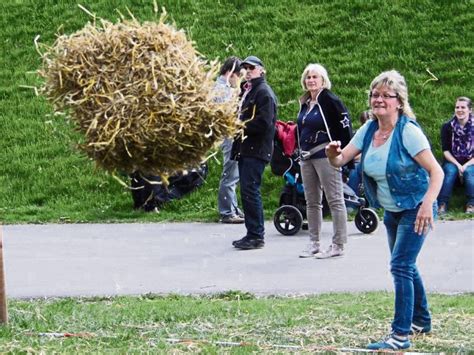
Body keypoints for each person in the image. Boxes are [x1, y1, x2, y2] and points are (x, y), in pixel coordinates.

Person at [325, 70, 444, 350]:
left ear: (399, 101)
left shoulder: (408, 132)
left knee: (400, 265)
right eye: (374, 95)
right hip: (392, 210)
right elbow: (340, 160)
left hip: (416, 208)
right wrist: (332, 154)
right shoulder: (369, 130)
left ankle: (400, 336)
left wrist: (428, 204)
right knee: (406, 265)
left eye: (385, 96)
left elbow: (436, 171)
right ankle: (421, 321)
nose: (378, 100)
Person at [296, 63, 353, 259]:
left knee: (335, 199)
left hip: (325, 155)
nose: (311, 80)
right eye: (308, 77)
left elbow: (344, 125)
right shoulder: (305, 102)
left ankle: (338, 244)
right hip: (306, 156)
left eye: (315, 77)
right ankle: (314, 243)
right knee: (312, 201)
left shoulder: (330, 100)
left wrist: (343, 154)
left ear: (323, 80)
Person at [231, 56, 277, 250]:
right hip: (247, 148)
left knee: (250, 191)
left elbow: (264, 123)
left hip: (256, 149)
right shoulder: (248, 90)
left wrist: (240, 125)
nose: (248, 70)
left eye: (252, 67)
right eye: (245, 68)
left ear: (261, 70)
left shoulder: (263, 92)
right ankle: (252, 233)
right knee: (248, 191)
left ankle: (256, 235)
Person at [214, 56, 245, 224]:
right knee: (230, 173)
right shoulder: (221, 89)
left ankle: (232, 208)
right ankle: (226, 211)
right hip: (229, 135)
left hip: (231, 135)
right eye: (238, 76)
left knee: (234, 173)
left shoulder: (224, 88)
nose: (238, 81)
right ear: (231, 73)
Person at [437, 96, 473, 214]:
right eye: (457, 107)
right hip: (452, 161)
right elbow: (446, 151)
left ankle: (471, 205)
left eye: (463, 107)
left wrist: (466, 165)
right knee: (450, 172)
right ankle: (442, 204)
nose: (459, 110)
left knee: (469, 172)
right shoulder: (447, 127)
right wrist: (458, 165)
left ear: (470, 110)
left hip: (471, 161)